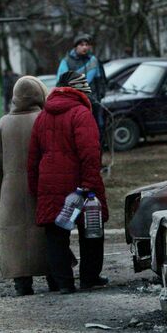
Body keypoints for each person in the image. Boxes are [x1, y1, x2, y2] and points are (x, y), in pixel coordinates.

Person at [27, 70, 109, 294]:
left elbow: (33, 157)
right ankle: (89, 278)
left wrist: (36, 187)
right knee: (91, 228)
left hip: (49, 184)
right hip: (78, 184)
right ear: (79, 91)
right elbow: (90, 152)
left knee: (55, 234)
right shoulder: (81, 113)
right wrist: (89, 183)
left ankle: (64, 283)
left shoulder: (43, 116)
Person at [0, 76, 51, 296]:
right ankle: (53, 276)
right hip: (41, 185)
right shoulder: (43, 119)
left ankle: (22, 284)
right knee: (45, 232)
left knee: (14, 236)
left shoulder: (4, 124)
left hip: (11, 191)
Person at [57, 33, 107, 145]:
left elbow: (101, 80)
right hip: (75, 104)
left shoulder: (94, 61)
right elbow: (61, 83)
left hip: (93, 102)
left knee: (97, 132)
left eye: (86, 45)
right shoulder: (66, 62)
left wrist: (100, 95)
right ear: (75, 47)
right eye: (81, 45)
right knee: (78, 133)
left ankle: (97, 160)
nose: (85, 47)